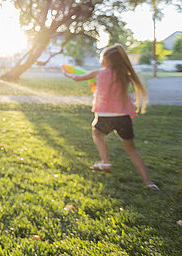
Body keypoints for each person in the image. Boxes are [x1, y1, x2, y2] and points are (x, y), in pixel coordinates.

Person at [62, 44, 158, 191]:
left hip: (105, 116)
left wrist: (68, 74)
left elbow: (77, 77)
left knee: (97, 133)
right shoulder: (125, 75)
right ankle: (148, 181)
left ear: (106, 60)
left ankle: (105, 161)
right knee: (131, 149)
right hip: (123, 117)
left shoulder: (99, 73)